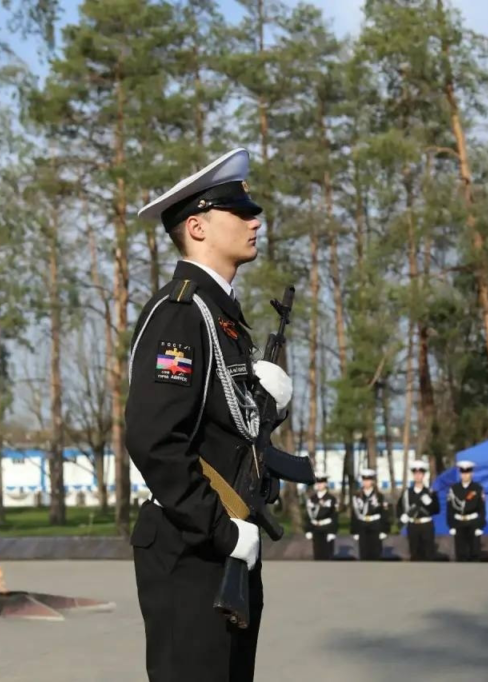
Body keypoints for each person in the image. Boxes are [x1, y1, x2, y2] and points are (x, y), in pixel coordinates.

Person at [126, 148, 293, 682]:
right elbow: (155, 441)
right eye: (239, 211)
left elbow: (222, 432)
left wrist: (267, 410)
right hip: (191, 547)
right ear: (196, 226)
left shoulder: (221, 315)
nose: (255, 220)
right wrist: (223, 529)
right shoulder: (180, 312)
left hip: (223, 541)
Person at [396, 459, 440, 561]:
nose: (418, 476)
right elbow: (399, 507)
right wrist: (402, 516)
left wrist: (430, 503)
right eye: (415, 473)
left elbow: (436, 510)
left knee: (428, 554)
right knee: (414, 553)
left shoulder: (430, 492)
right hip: (413, 525)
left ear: (423, 475)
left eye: (420, 473)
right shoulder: (407, 493)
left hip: (426, 525)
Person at [446, 460, 485, 562]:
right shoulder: (454, 489)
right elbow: (450, 509)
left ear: (471, 473)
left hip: (473, 523)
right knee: (460, 553)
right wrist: (451, 525)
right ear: (460, 474)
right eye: (463, 472)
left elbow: (482, 509)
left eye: (467, 472)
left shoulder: (477, 488)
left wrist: (480, 526)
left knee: (474, 553)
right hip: (459, 523)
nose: (465, 475)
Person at [351, 469, 390, 560]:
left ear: (372, 481)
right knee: (363, 552)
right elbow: (354, 515)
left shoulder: (379, 496)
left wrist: (384, 530)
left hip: (375, 525)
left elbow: (384, 514)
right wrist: (354, 531)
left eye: (369, 480)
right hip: (362, 525)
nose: (366, 482)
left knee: (376, 552)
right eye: (364, 480)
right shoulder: (357, 496)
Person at [304, 469, 338, 561]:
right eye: (318, 482)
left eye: (322, 482)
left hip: (327, 528)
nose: (319, 484)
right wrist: (308, 530)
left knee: (327, 554)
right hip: (315, 528)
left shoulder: (331, 499)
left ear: (326, 484)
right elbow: (308, 516)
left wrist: (332, 531)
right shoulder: (312, 499)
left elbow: (334, 516)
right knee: (317, 553)